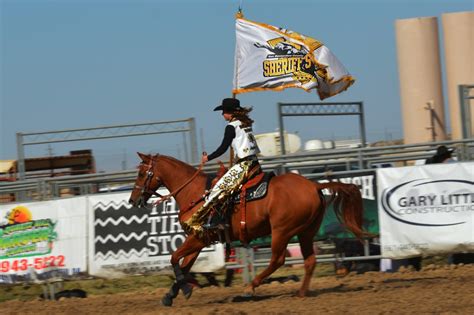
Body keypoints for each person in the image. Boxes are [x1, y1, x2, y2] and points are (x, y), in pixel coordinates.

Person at [183, 98, 261, 233]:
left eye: (224, 111)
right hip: (254, 162)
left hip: (244, 165)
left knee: (218, 190)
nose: (222, 114)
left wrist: (208, 157)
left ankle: (218, 221)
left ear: (230, 113)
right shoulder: (245, 123)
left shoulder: (231, 127)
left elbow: (223, 148)